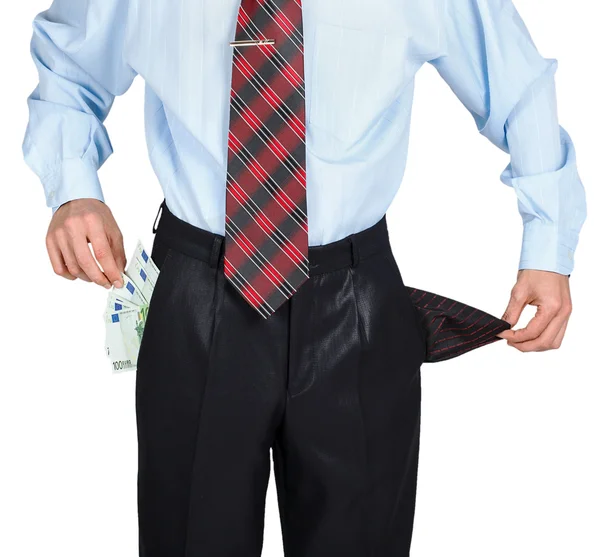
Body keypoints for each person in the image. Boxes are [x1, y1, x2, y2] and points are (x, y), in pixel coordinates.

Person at [23, 0, 586, 555]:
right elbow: (71, 62)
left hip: (356, 302)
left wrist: (548, 242)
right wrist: (73, 187)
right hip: (198, 296)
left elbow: (517, 82)